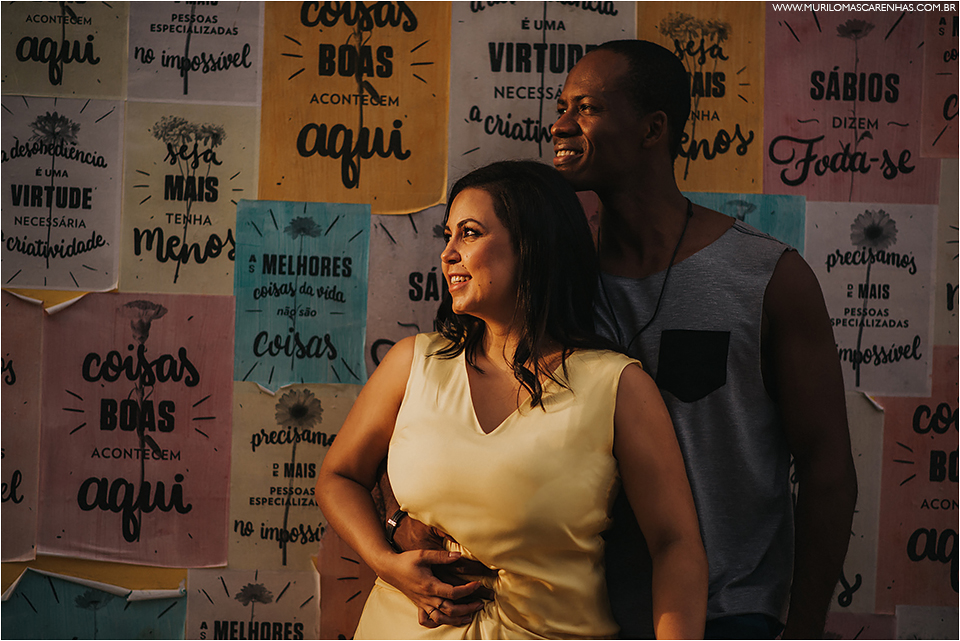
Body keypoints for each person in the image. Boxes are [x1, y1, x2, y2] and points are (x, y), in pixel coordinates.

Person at [316, 160, 708, 639]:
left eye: (470, 233)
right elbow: (338, 476)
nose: (448, 254)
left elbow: (676, 544)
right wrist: (385, 559)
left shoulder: (618, 386)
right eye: (447, 236)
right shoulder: (412, 363)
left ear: (532, 247)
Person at [548, 40, 859, 639]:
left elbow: (826, 468)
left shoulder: (768, 276)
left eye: (586, 107)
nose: (560, 124)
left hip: (726, 615)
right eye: (562, 106)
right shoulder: (552, 281)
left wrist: (803, 630)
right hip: (573, 617)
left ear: (653, 128)